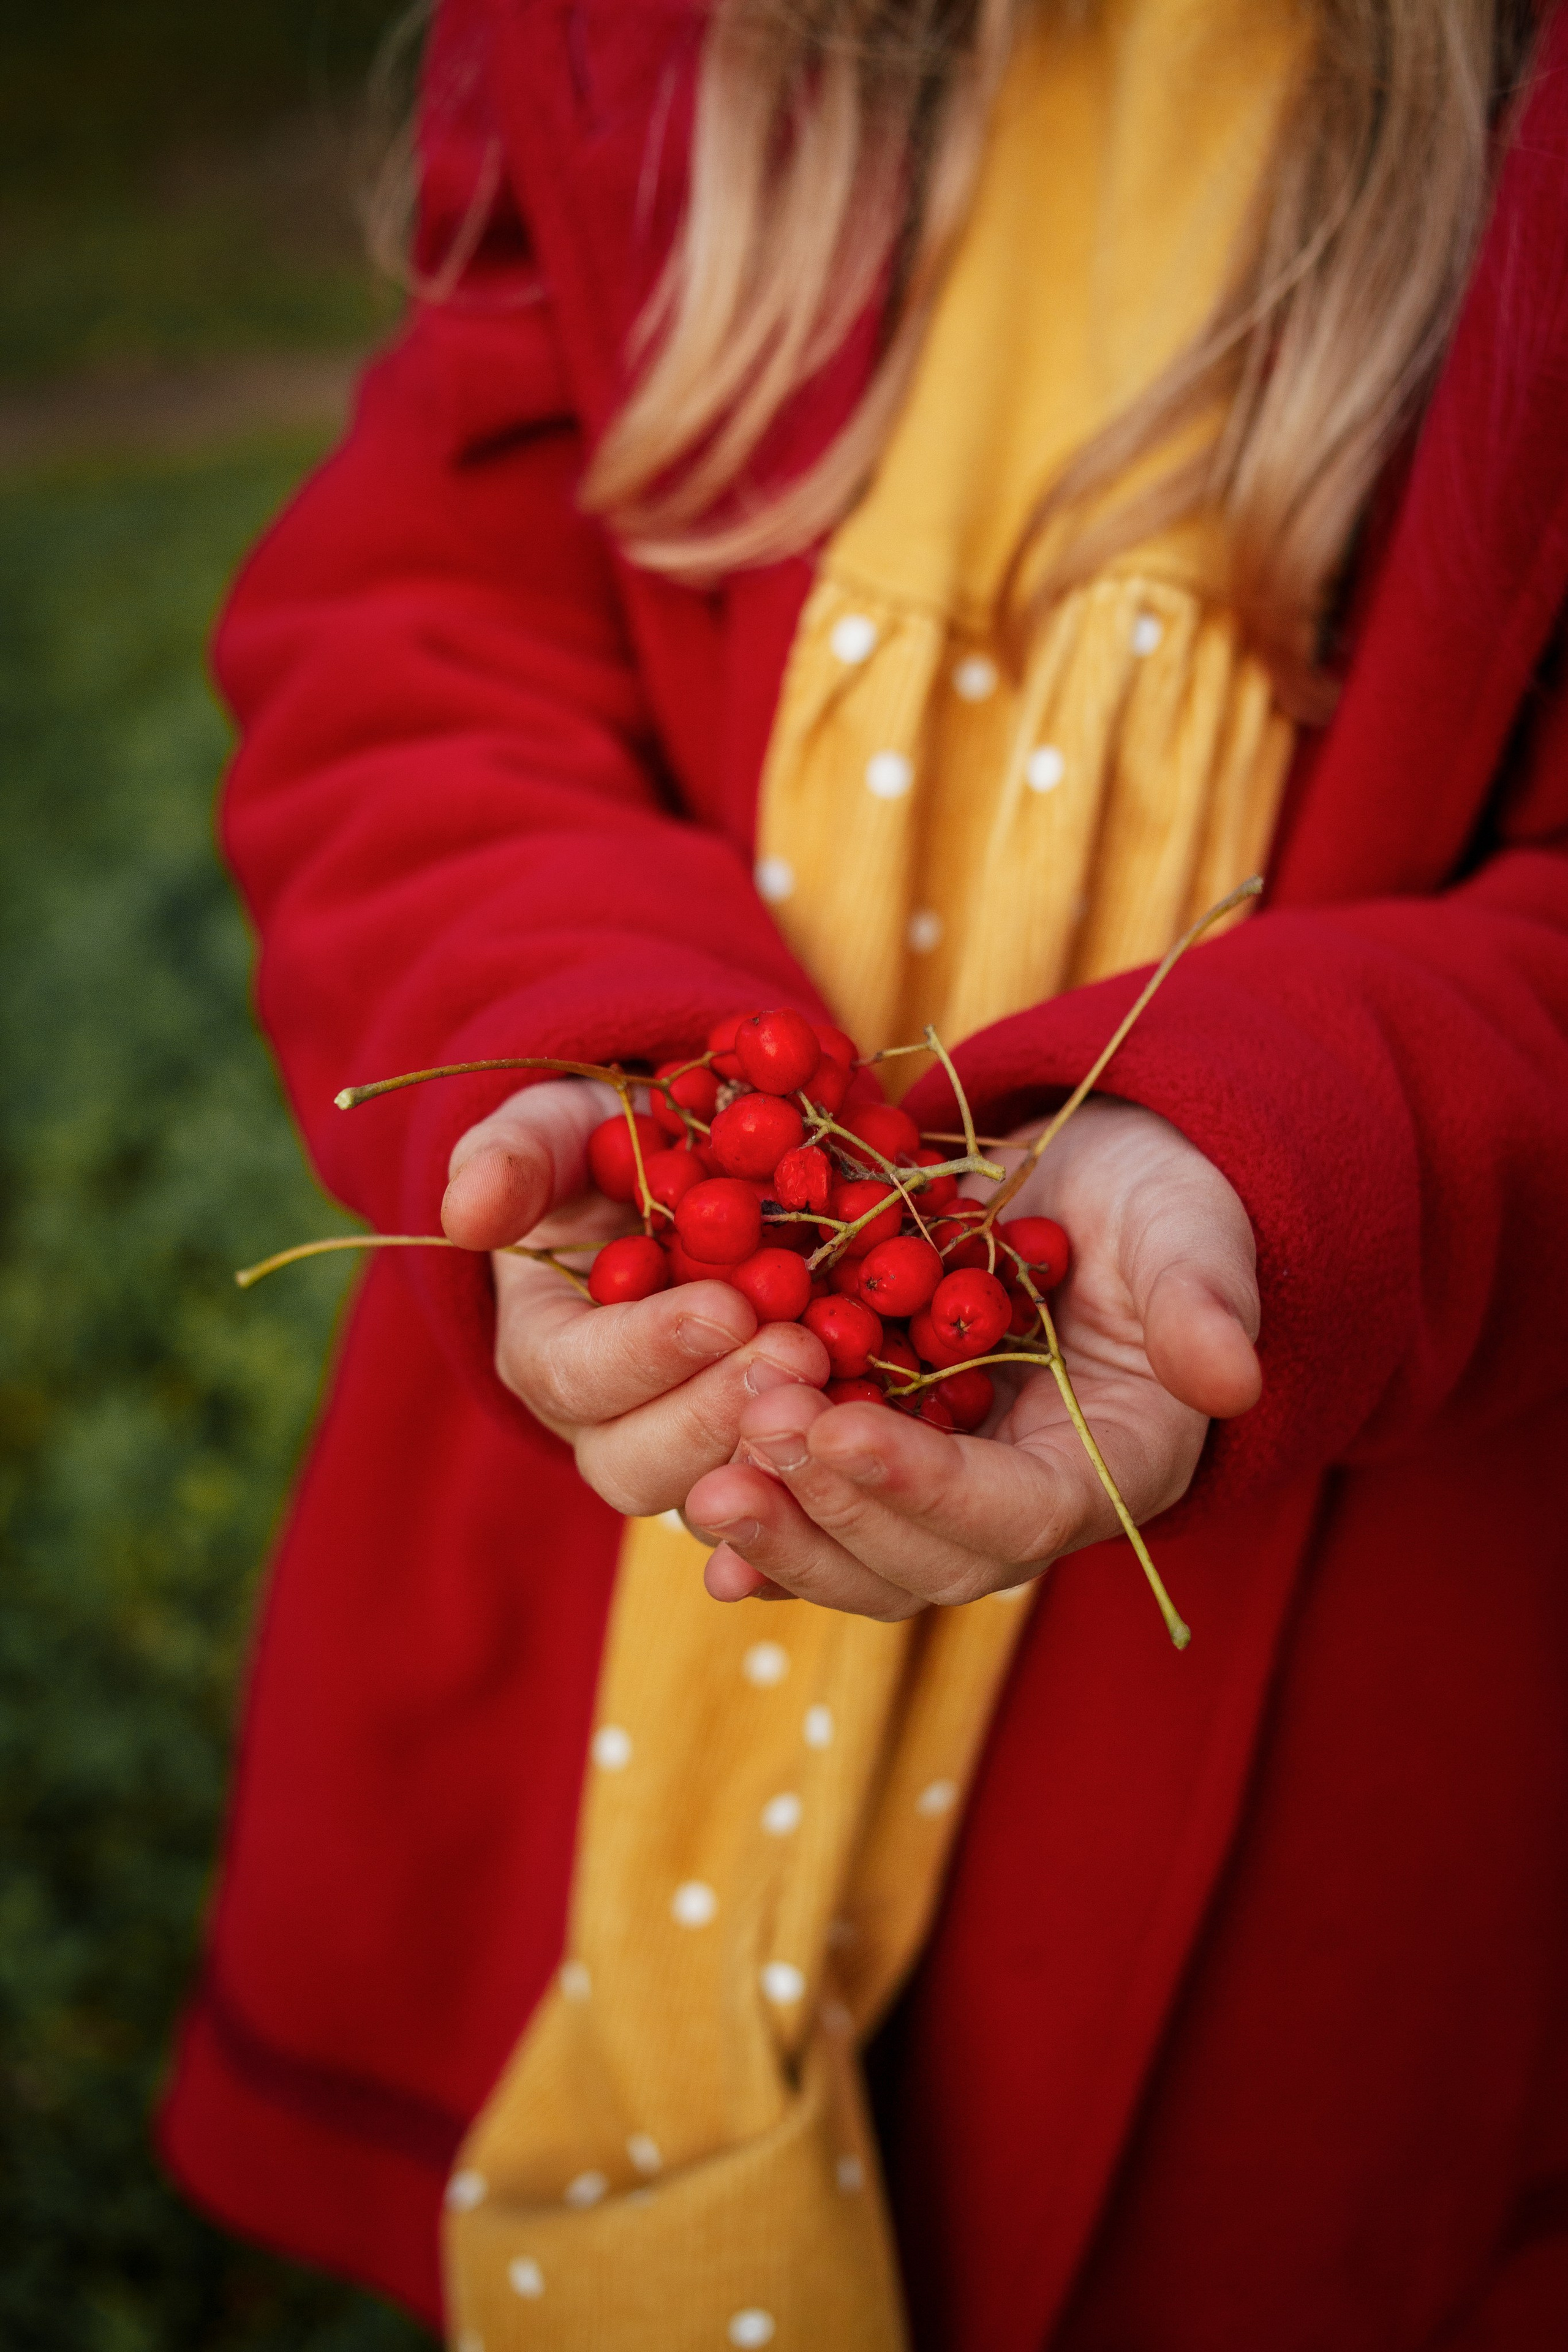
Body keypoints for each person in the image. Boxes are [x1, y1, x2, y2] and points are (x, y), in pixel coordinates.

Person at [160, 1, 1568, 2345]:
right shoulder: (629, 53)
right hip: (635, 1511)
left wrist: (1292, 1139)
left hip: (1357, 1647)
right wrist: (579, 1038)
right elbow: (420, 645)